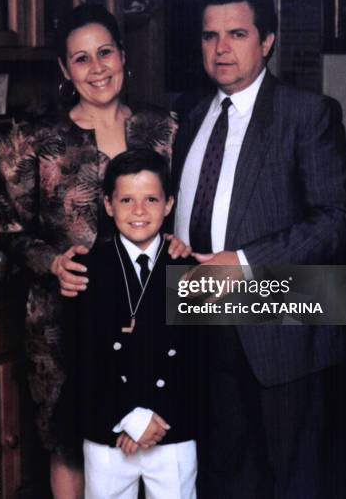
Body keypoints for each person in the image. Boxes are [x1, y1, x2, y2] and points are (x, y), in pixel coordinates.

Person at [172, 0, 346, 498]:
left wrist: (248, 262)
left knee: (291, 480)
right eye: (211, 36)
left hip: (281, 331)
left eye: (237, 33)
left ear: (267, 40)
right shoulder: (189, 114)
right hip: (199, 323)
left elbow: (339, 220)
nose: (222, 49)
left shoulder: (307, 114)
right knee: (224, 475)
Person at [0, 3, 187, 499]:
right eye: (81, 59)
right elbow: (8, 230)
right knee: (73, 442)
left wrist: (179, 241)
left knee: (158, 440)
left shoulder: (163, 129)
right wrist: (50, 261)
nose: (97, 67)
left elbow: (177, 206)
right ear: (64, 69)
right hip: (66, 321)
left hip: (150, 315)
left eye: (105, 52)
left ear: (124, 55)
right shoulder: (32, 142)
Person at [74, 149, 202, 499]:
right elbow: (84, 358)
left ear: (170, 204)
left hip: (170, 428)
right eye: (127, 199)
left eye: (151, 199)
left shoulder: (186, 267)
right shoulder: (86, 269)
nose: (140, 211)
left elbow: (197, 358)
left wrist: (153, 423)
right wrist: (130, 420)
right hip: (109, 429)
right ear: (108, 204)